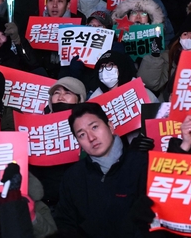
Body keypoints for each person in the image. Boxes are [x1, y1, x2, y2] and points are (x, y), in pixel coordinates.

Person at [54, 102, 148, 238]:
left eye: (95, 127)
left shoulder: (141, 163)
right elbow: (66, 225)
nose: (91, 138)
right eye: (82, 135)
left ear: (110, 126)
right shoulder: (72, 177)